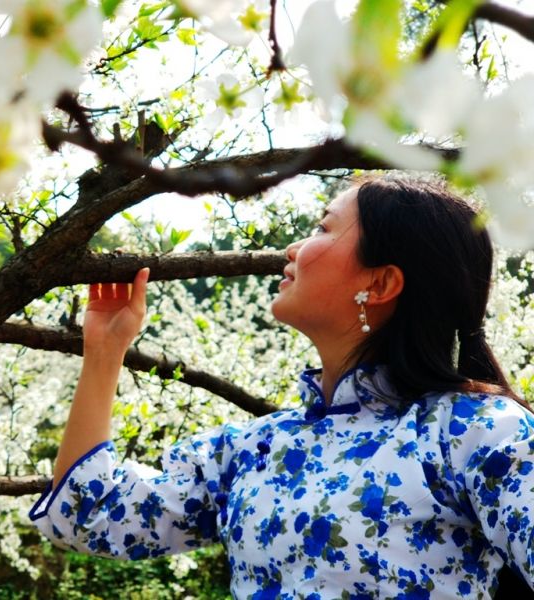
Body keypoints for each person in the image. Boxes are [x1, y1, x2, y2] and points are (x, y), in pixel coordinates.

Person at [29, 176, 534, 598]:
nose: (293, 248)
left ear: (378, 285)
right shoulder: (253, 449)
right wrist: (104, 349)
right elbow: (87, 513)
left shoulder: (478, 433)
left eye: (322, 228)